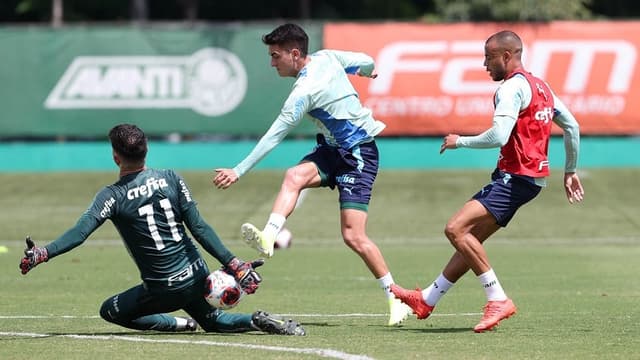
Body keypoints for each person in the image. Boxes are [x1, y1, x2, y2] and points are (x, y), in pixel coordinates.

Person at [19, 123, 305, 336]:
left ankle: (179, 324)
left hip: (163, 289)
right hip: (197, 274)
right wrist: (235, 265)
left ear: (116, 157)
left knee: (110, 310)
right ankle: (255, 320)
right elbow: (200, 228)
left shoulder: (112, 195)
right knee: (214, 321)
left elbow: (79, 233)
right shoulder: (171, 178)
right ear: (146, 151)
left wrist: (43, 253)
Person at [212, 23, 411, 326]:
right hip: (332, 151)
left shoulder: (303, 92)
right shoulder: (327, 57)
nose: (272, 62)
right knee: (294, 176)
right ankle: (269, 235)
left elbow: (273, 137)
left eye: (275, 56)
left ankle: (396, 297)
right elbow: (365, 59)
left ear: (295, 54)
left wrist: (238, 171)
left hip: (358, 154)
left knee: (353, 236)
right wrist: (367, 71)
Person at [391, 30, 585, 333]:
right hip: (530, 179)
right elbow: (572, 126)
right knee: (471, 240)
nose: (485, 64)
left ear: (506, 56)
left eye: (488, 57)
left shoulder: (510, 89)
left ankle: (498, 298)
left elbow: (498, 136)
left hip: (516, 177)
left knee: (455, 229)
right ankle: (427, 299)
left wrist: (460, 142)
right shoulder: (541, 86)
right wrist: (570, 170)